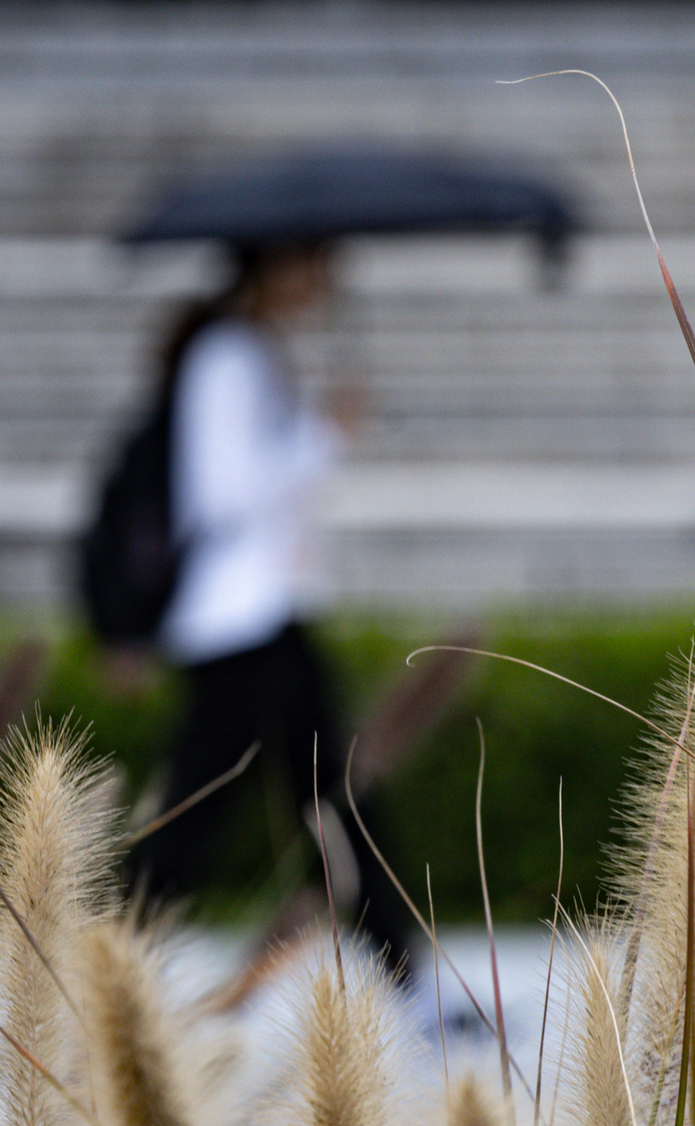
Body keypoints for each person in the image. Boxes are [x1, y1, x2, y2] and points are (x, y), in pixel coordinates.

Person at [115, 240, 407, 971]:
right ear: (271, 267)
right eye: (313, 263)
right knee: (214, 804)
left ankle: (404, 966)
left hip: (264, 613)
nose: (326, 281)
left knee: (327, 796)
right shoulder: (227, 357)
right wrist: (322, 436)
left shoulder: (247, 351)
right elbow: (224, 493)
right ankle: (112, 954)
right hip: (238, 622)